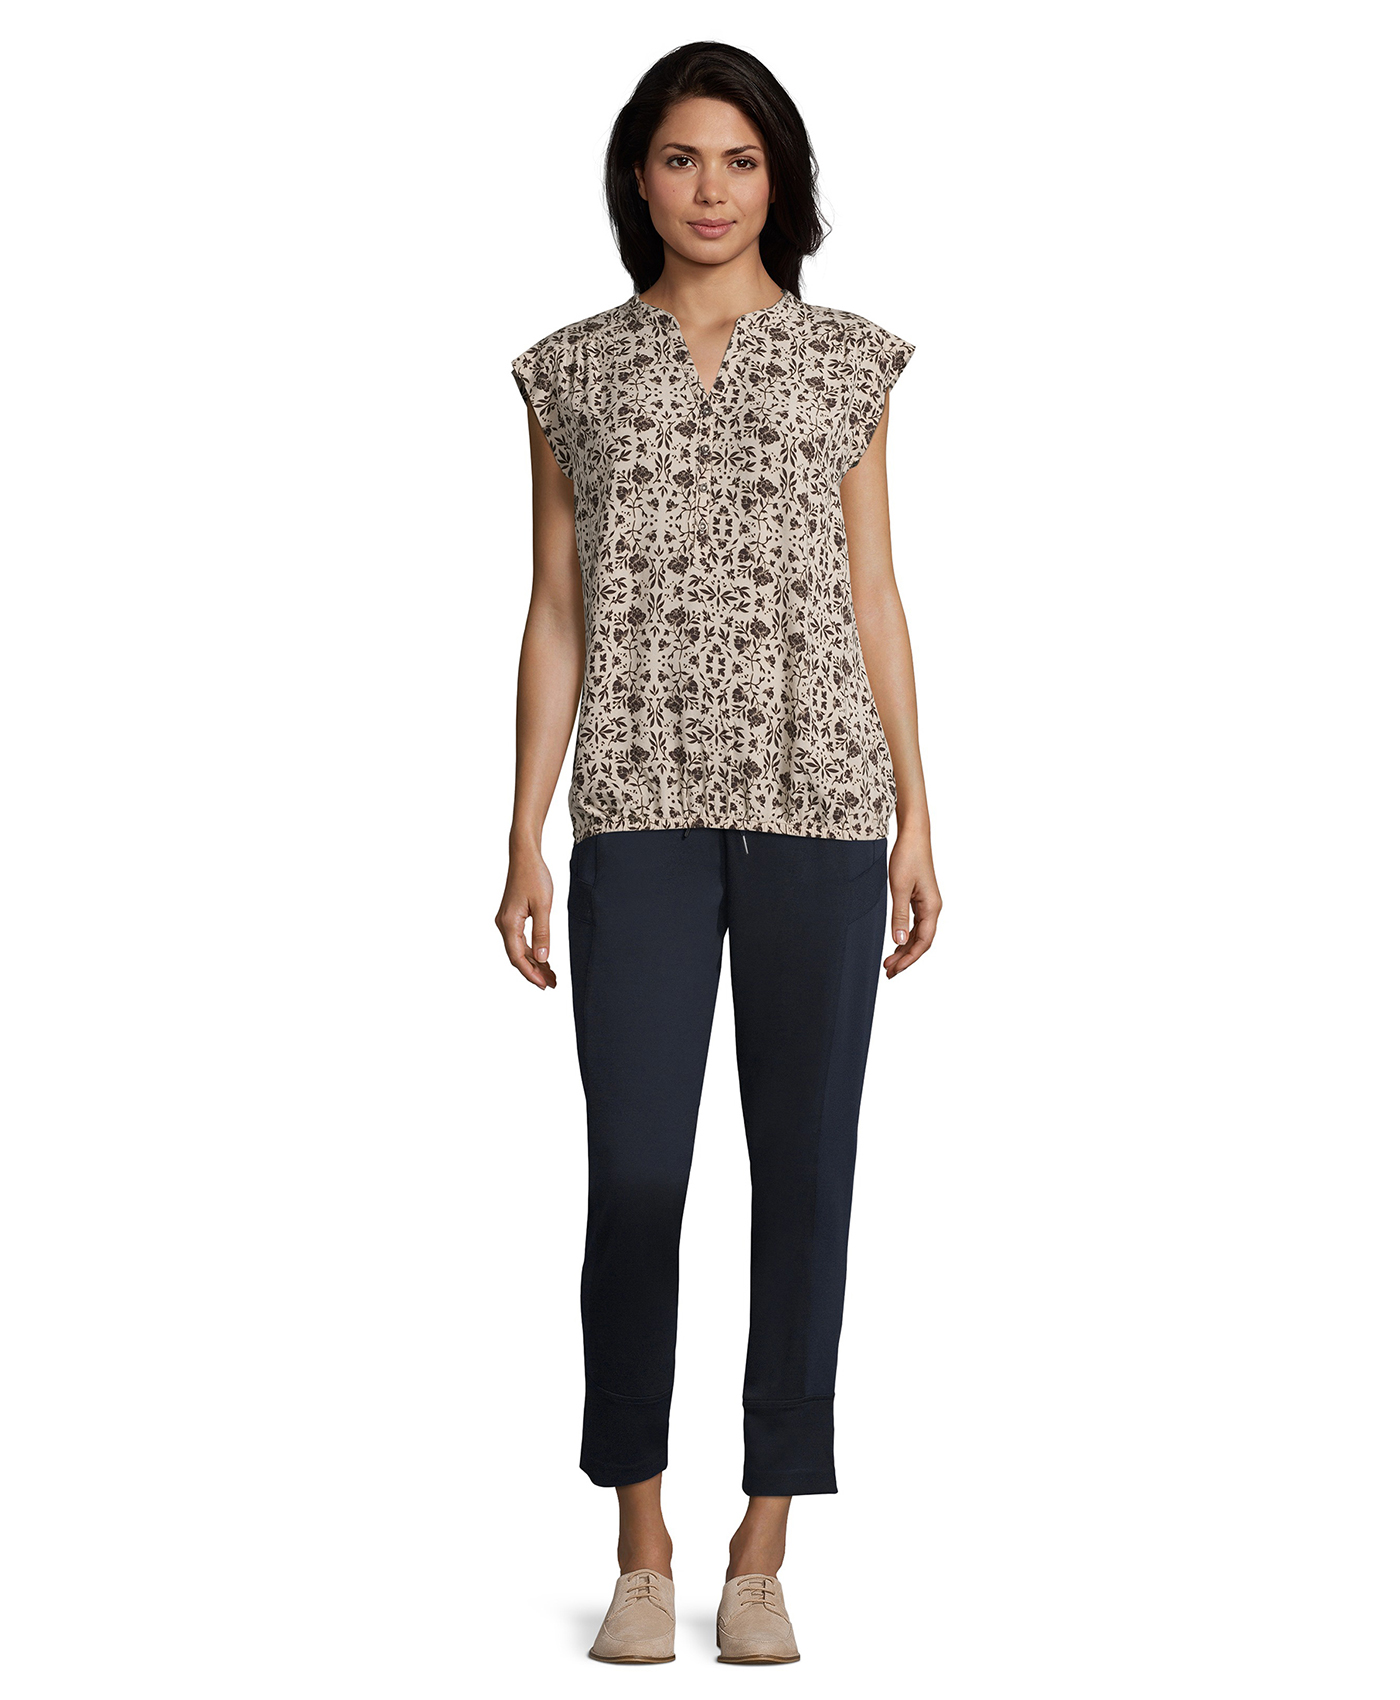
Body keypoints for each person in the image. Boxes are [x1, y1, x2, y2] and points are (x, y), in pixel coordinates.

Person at [498, 40, 942, 1666]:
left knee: (805, 1171)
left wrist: (918, 810)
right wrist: (523, 828)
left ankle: (765, 1541)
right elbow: (556, 606)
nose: (711, 189)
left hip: (823, 804)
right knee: (638, 1174)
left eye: (741, 161)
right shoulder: (571, 373)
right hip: (635, 809)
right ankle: (641, 1536)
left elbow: (874, 591)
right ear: (640, 174)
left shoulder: (845, 364)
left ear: (779, 181)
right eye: (683, 158)